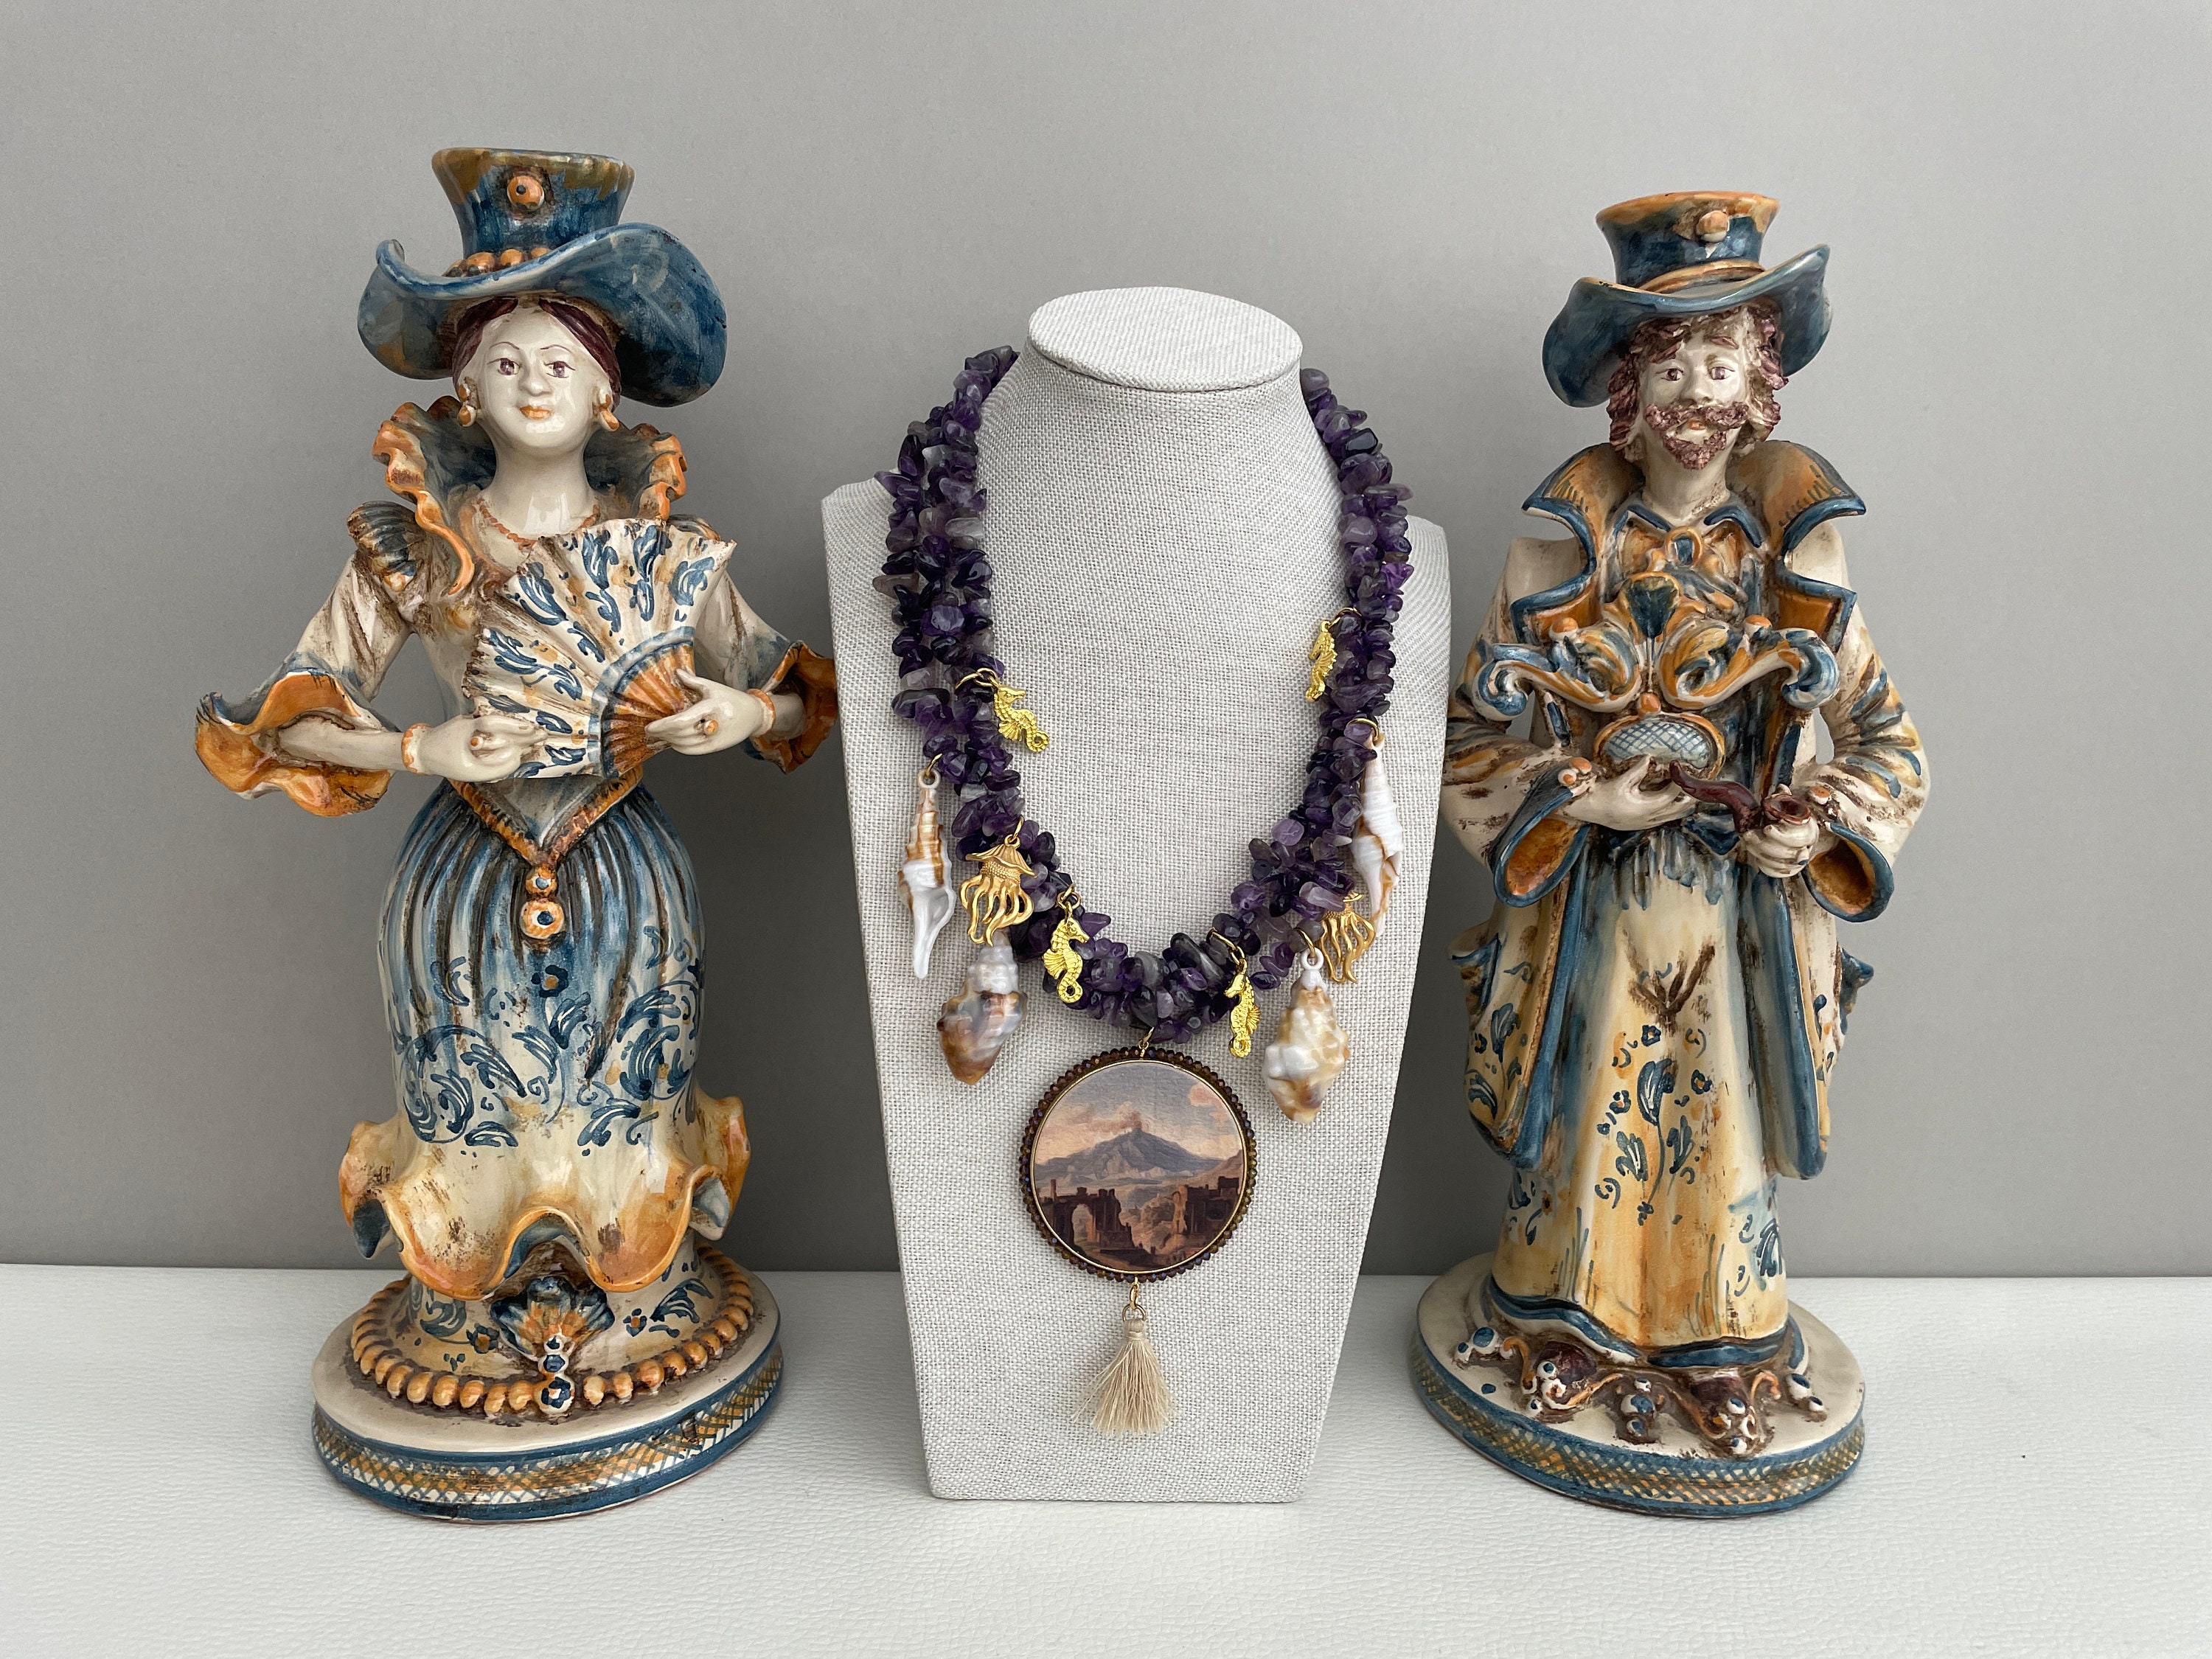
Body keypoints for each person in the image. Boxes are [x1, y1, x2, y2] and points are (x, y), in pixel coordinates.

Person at [197, 150, 835, 1326]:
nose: (534, 384)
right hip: (465, 879)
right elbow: (296, 718)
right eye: (506, 362)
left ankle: (633, 1304)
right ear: (465, 388)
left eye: (561, 363)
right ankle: (472, 1310)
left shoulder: (661, 548)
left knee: (626, 1105)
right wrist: (418, 750)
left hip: (626, 875)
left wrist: (744, 711)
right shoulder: (417, 545)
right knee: (475, 1109)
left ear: (606, 392)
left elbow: (799, 695)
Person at [1441, 193, 1927, 1454]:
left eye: (1721, 363)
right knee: (1593, 1099)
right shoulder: (1559, 556)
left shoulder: (1795, 561)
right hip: (1593, 913)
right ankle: (1566, 1325)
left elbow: (1889, 742)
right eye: (1670, 366)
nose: (1696, 393)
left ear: (1759, 383)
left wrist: (1815, 823)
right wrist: (1579, 796)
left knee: (1719, 1121)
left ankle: (1722, 1338)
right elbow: (1469, 738)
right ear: (1630, 388)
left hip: (1737, 914)